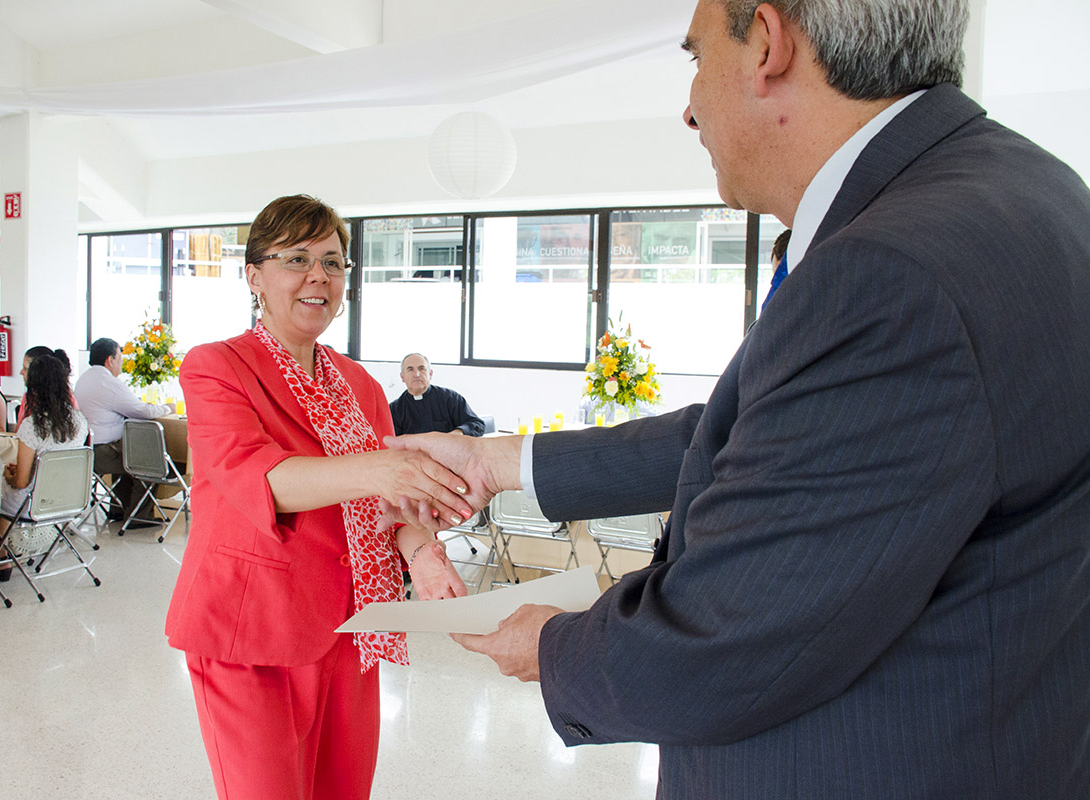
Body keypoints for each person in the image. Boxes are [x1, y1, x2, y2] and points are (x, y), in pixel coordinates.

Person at [384, 1, 1090, 797]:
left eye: (695, 58)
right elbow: (781, 435)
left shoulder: (891, 270)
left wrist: (550, 648)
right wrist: (495, 460)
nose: (689, 108)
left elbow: (722, 638)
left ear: (766, 42)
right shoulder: (1026, 191)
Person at [164, 194, 469, 800]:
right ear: (253, 275)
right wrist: (381, 470)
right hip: (253, 630)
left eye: (333, 262)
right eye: (296, 259)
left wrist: (423, 552)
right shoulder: (217, 367)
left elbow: (394, 503)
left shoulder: (358, 382)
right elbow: (263, 479)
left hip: (353, 625)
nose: (318, 277)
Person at [0, 354, 89, 575]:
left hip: (34, 502)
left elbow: (20, 482)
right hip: (67, 499)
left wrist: (9, 476)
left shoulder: (32, 426)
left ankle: (1, 559)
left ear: (34, 388)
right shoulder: (79, 421)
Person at [74, 337, 174, 522]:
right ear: (109, 360)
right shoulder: (109, 384)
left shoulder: (83, 379)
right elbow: (143, 411)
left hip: (86, 450)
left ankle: (120, 510)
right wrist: (169, 408)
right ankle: (139, 517)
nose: (122, 363)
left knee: (128, 453)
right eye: (120, 358)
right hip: (103, 452)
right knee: (147, 461)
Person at [388, 353, 484, 437]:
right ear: (402, 377)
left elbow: (477, 424)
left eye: (421, 369)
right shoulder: (394, 409)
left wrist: (459, 432)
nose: (417, 374)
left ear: (430, 374)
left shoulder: (450, 398)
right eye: (410, 369)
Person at [17, 345, 76, 422]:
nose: (21, 372)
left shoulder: (66, 401)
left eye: (25, 369)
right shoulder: (29, 397)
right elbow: (19, 430)